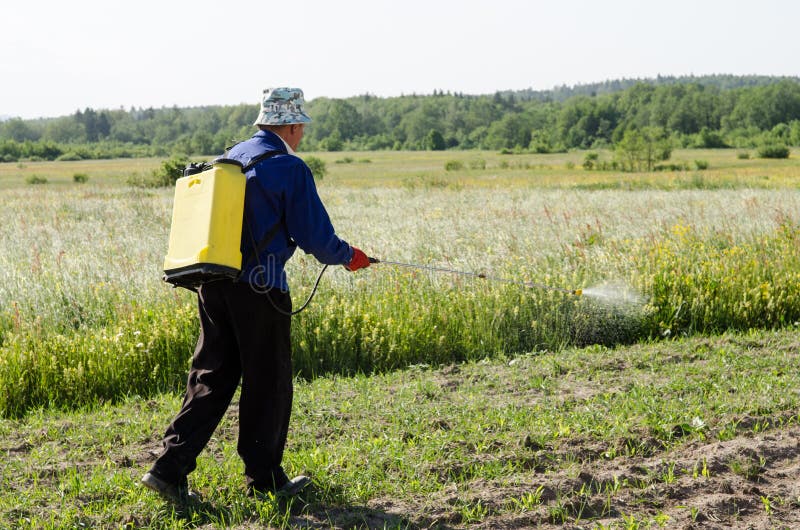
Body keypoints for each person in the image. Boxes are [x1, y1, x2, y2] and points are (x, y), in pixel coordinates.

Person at [142, 87, 371, 502]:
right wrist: (349, 256)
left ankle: (168, 468)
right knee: (268, 382)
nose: (301, 134)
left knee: (210, 378)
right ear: (293, 124)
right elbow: (316, 238)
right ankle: (265, 482)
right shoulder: (289, 166)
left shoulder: (231, 158)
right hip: (261, 290)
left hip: (211, 282)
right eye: (301, 127)